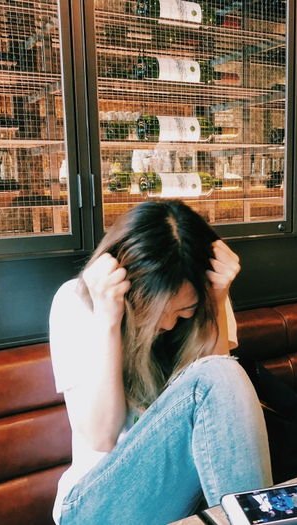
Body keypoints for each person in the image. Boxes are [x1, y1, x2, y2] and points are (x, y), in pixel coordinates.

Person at [49, 200, 272, 525]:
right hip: (93, 506)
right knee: (221, 373)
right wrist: (108, 319)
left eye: (184, 312)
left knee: (222, 372)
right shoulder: (76, 301)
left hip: (184, 499)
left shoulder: (204, 294)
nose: (168, 324)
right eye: (154, 312)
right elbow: (101, 437)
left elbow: (220, 416)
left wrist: (214, 303)